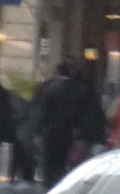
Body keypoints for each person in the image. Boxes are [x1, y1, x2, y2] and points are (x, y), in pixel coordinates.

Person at [31, 59, 103, 187]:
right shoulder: (76, 89)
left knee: (48, 158)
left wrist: (37, 131)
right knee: (61, 159)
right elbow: (80, 112)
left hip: (49, 129)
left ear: (57, 71)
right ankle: (58, 183)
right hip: (67, 130)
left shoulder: (47, 87)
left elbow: (41, 111)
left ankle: (47, 183)